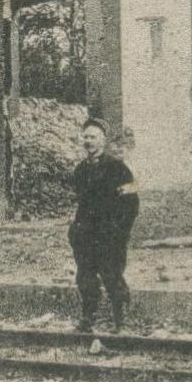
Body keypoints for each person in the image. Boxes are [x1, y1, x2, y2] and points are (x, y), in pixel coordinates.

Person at [68, 118, 139, 333]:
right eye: (86, 137)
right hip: (86, 234)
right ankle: (89, 318)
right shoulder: (80, 170)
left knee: (112, 274)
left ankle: (122, 320)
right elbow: (81, 202)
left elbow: (132, 203)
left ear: (103, 141)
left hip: (110, 233)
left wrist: (119, 230)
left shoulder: (118, 168)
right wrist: (76, 230)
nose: (88, 141)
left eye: (93, 137)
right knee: (85, 277)